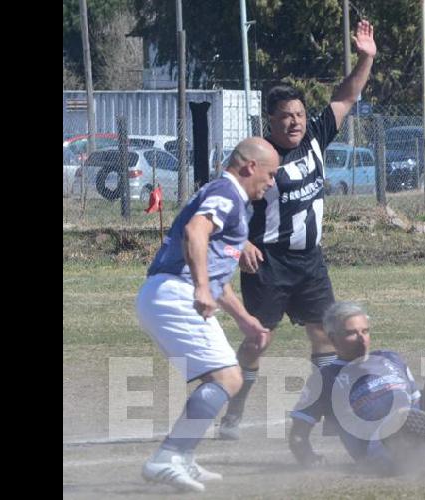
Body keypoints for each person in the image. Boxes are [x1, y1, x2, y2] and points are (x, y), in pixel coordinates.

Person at [219, 20, 378, 440]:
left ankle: (320, 415)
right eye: (286, 116)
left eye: (300, 114)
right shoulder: (257, 157)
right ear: (269, 121)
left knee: (327, 340)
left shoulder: (315, 138)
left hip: (310, 262)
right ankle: (233, 410)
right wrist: (240, 246)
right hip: (267, 263)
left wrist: (366, 57)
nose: (295, 122)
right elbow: (219, 207)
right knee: (258, 343)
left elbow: (346, 96)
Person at [134, 137, 280, 492]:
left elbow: (215, 270)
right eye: (271, 174)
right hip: (176, 293)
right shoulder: (227, 194)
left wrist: (244, 318)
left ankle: (180, 457)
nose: (272, 182)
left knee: (221, 379)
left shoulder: (233, 201)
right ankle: (167, 457)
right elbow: (194, 231)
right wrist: (200, 287)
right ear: (250, 167)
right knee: (228, 379)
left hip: (171, 292)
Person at [288, 301, 425, 476]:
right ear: (333, 338)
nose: (362, 338)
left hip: (416, 431)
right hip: (377, 449)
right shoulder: (324, 379)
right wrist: (310, 459)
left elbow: (417, 404)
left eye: (365, 331)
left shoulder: (390, 358)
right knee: (396, 423)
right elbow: (298, 436)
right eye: (351, 333)